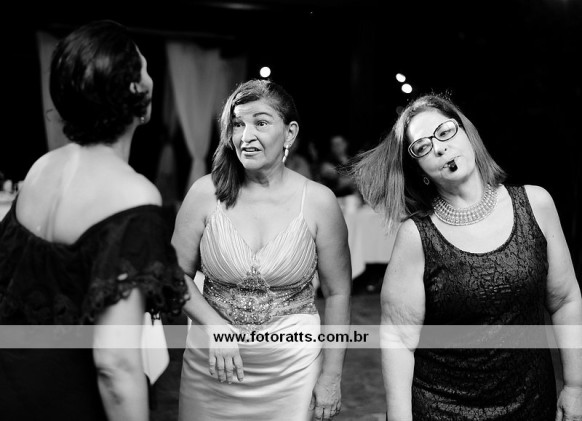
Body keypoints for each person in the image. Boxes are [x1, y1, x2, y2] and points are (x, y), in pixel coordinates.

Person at [0, 20, 189, 421]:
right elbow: (115, 364)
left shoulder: (42, 168)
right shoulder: (132, 195)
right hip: (68, 399)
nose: (151, 77)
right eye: (144, 67)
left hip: (13, 385)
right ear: (135, 89)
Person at [351, 93, 582, 420]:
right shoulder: (416, 236)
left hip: (532, 403)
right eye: (423, 147)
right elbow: (399, 339)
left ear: (467, 133)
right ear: (421, 171)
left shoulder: (536, 204)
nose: (440, 148)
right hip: (443, 409)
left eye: (445, 132)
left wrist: (576, 384)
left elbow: (565, 299)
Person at [172, 78, 351, 421]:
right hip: (212, 367)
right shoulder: (204, 194)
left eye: (261, 123)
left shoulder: (318, 202)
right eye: (237, 124)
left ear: (290, 133)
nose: (246, 136)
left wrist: (331, 376)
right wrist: (213, 324)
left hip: (292, 371)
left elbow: (338, 292)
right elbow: (173, 273)